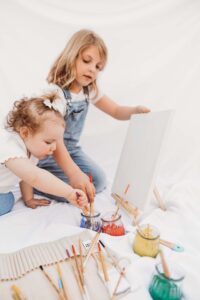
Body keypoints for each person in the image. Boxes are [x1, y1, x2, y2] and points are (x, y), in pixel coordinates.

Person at [35, 29, 150, 203]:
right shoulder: (57, 94)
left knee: (98, 181)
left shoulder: (90, 91)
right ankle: (39, 182)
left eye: (98, 67)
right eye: (87, 61)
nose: (92, 69)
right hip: (51, 152)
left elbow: (116, 111)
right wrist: (74, 174)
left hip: (72, 151)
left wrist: (135, 111)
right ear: (71, 56)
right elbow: (55, 141)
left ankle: (52, 181)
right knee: (80, 188)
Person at [0, 91, 88, 216]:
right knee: (7, 201)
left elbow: (25, 176)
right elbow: (35, 177)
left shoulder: (30, 148)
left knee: (8, 199)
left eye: (55, 142)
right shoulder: (10, 147)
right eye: (48, 142)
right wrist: (68, 192)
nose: (54, 148)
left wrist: (28, 198)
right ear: (25, 133)